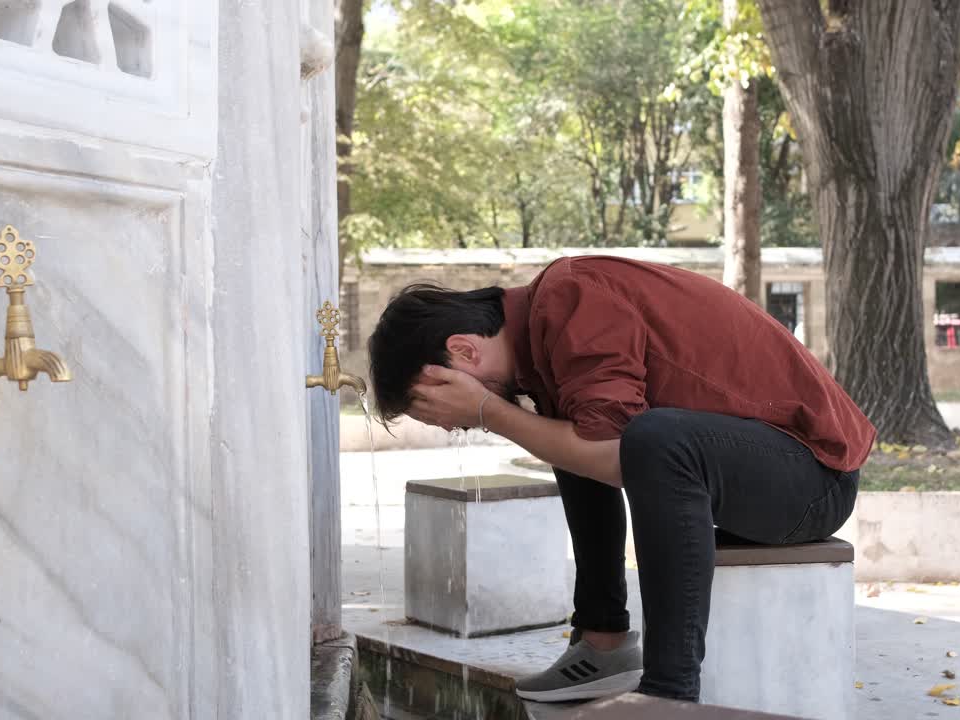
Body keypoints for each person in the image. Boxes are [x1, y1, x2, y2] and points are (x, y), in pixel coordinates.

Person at [367, 255, 875, 703]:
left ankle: (669, 694)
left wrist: (488, 410)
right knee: (573, 429)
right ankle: (601, 639)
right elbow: (594, 448)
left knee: (650, 438)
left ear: (463, 352)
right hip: (756, 476)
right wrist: (500, 410)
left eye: (433, 405)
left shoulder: (573, 297)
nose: (452, 423)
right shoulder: (547, 333)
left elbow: (617, 456)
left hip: (813, 480)